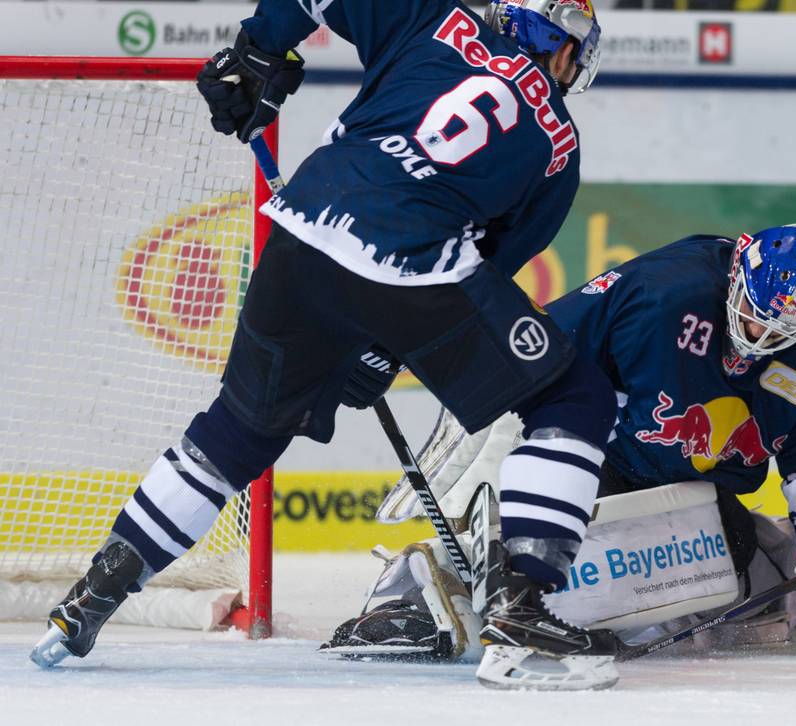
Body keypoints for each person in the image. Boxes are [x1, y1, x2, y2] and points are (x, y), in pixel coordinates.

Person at [31, 0, 618, 692]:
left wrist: (257, 49)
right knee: (573, 397)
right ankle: (522, 615)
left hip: (303, 225)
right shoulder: (558, 144)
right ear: (560, 48)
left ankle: (88, 600)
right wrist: (388, 344)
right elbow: (486, 268)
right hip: (410, 261)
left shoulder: (431, 16)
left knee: (237, 431)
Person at [327, 225, 796, 674]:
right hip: (598, 460)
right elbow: (537, 349)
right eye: (751, 314)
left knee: (742, 570)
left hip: (692, 489)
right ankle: (413, 589)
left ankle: (510, 593)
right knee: (549, 554)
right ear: (735, 275)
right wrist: (409, 357)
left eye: (780, 332)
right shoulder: (662, 290)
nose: (760, 338)